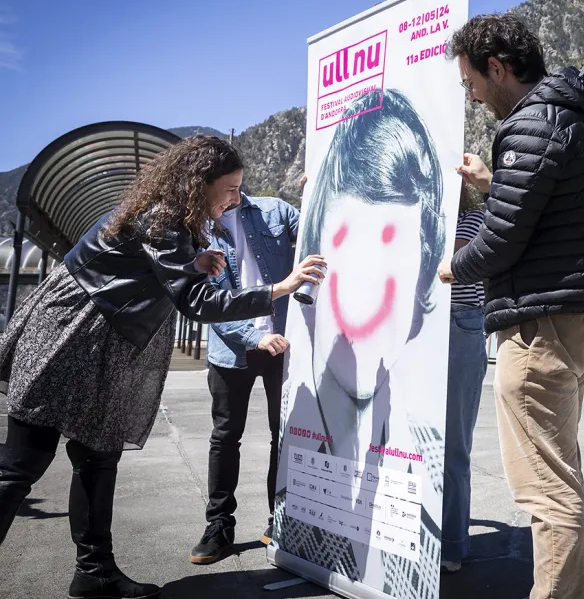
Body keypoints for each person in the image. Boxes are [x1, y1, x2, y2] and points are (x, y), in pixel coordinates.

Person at [0, 136, 325, 599]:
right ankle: (95, 569)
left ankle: (94, 571)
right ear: (199, 184)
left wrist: (194, 260)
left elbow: (144, 266)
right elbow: (195, 300)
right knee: (22, 465)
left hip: (102, 342)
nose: (236, 198)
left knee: (97, 455)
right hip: (72, 337)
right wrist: (280, 287)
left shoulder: (174, 219)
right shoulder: (163, 217)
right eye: (229, 189)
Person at [437, 14, 584, 599]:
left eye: (470, 80)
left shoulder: (528, 125)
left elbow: (503, 241)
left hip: (539, 323)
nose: (469, 93)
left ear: (497, 69)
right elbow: (546, 210)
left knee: (545, 485)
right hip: (579, 312)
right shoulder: (563, 116)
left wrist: (455, 265)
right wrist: (495, 183)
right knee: (560, 467)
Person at [273, 88, 449, 598]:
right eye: (346, 237)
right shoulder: (291, 450)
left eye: (392, 240)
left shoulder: (429, 480)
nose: (366, 283)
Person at [189, 192, 300, 565]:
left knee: (282, 434)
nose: (234, 193)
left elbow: (320, 231)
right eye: (225, 186)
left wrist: (314, 191)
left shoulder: (276, 210)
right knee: (225, 437)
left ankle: (280, 519)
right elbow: (210, 300)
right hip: (230, 346)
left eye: (238, 183)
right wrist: (254, 336)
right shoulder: (198, 227)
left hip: (281, 341)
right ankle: (219, 526)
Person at [440, 183, 488, 574]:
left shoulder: (472, 218)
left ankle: (451, 544)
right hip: (414, 327)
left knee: (453, 445)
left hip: (458, 326)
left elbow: (448, 263)